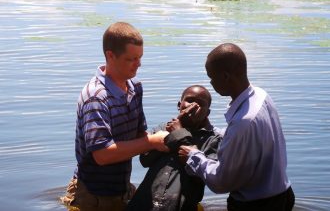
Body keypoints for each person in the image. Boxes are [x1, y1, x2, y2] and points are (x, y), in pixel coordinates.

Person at [61, 22, 169, 211]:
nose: (139, 64)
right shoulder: (96, 97)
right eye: (131, 59)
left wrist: (168, 138)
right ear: (110, 56)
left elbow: (139, 137)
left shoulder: (135, 87)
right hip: (93, 196)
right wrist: (152, 142)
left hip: (122, 188)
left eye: (140, 57)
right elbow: (102, 155)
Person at [178, 43, 295, 211]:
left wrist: (193, 156)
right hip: (283, 194)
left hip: (256, 205)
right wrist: (210, 129)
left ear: (225, 77)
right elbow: (249, 141)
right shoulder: (261, 95)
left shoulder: (243, 122)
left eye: (212, 77)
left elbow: (221, 182)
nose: (210, 83)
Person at [126, 85, 222, 211]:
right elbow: (145, 160)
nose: (193, 106)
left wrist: (179, 134)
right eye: (190, 100)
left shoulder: (213, 139)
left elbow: (204, 176)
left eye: (200, 104)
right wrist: (171, 135)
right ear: (179, 105)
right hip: (144, 204)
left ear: (207, 113)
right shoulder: (163, 129)